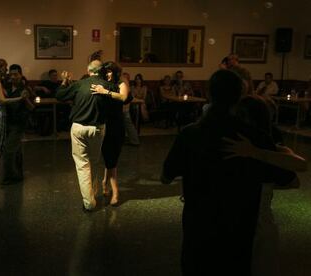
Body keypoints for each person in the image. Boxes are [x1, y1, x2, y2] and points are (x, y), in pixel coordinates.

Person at [161, 70, 292, 276]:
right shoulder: (254, 137)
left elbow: (166, 176)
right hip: (239, 228)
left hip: (199, 225)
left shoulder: (189, 134)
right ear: (240, 95)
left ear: (209, 94)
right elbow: (287, 177)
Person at [223, 95, 306, 276]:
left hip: (242, 224)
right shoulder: (264, 148)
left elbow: (300, 167)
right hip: (256, 226)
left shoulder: (255, 146)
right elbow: (294, 177)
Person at [56, 60, 113, 211]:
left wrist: (64, 81)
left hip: (78, 127)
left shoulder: (80, 84)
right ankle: (92, 195)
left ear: (88, 71)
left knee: (82, 165)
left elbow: (60, 95)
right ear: (101, 71)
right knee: (94, 161)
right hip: (97, 128)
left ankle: (89, 202)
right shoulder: (107, 86)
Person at [90, 61, 132, 206]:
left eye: (110, 72)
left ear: (115, 72)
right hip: (102, 125)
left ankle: (112, 189)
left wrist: (105, 92)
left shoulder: (121, 83)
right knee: (108, 159)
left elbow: (124, 97)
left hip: (116, 126)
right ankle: (108, 186)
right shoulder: (101, 83)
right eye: (105, 72)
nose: (107, 74)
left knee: (112, 159)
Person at [2, 64, 34, 185]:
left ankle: (9, 176)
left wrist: (25, 98)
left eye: (16, 74)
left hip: (18, 123)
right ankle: (18, 175)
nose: (13, 76)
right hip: (7, 122)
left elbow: (32, 107)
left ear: (21, 75)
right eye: (12, 74)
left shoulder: (25, 88)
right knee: (17, 150)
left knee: (9, 150)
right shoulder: (7, 87)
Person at [121, 72, 139, 145]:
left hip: (124, 108)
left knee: (128, 124)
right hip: (124, 108)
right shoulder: (127, 85)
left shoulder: (124, 84)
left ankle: (135, 141)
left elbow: (128, 98)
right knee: (127, 124)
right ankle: (134, 140)